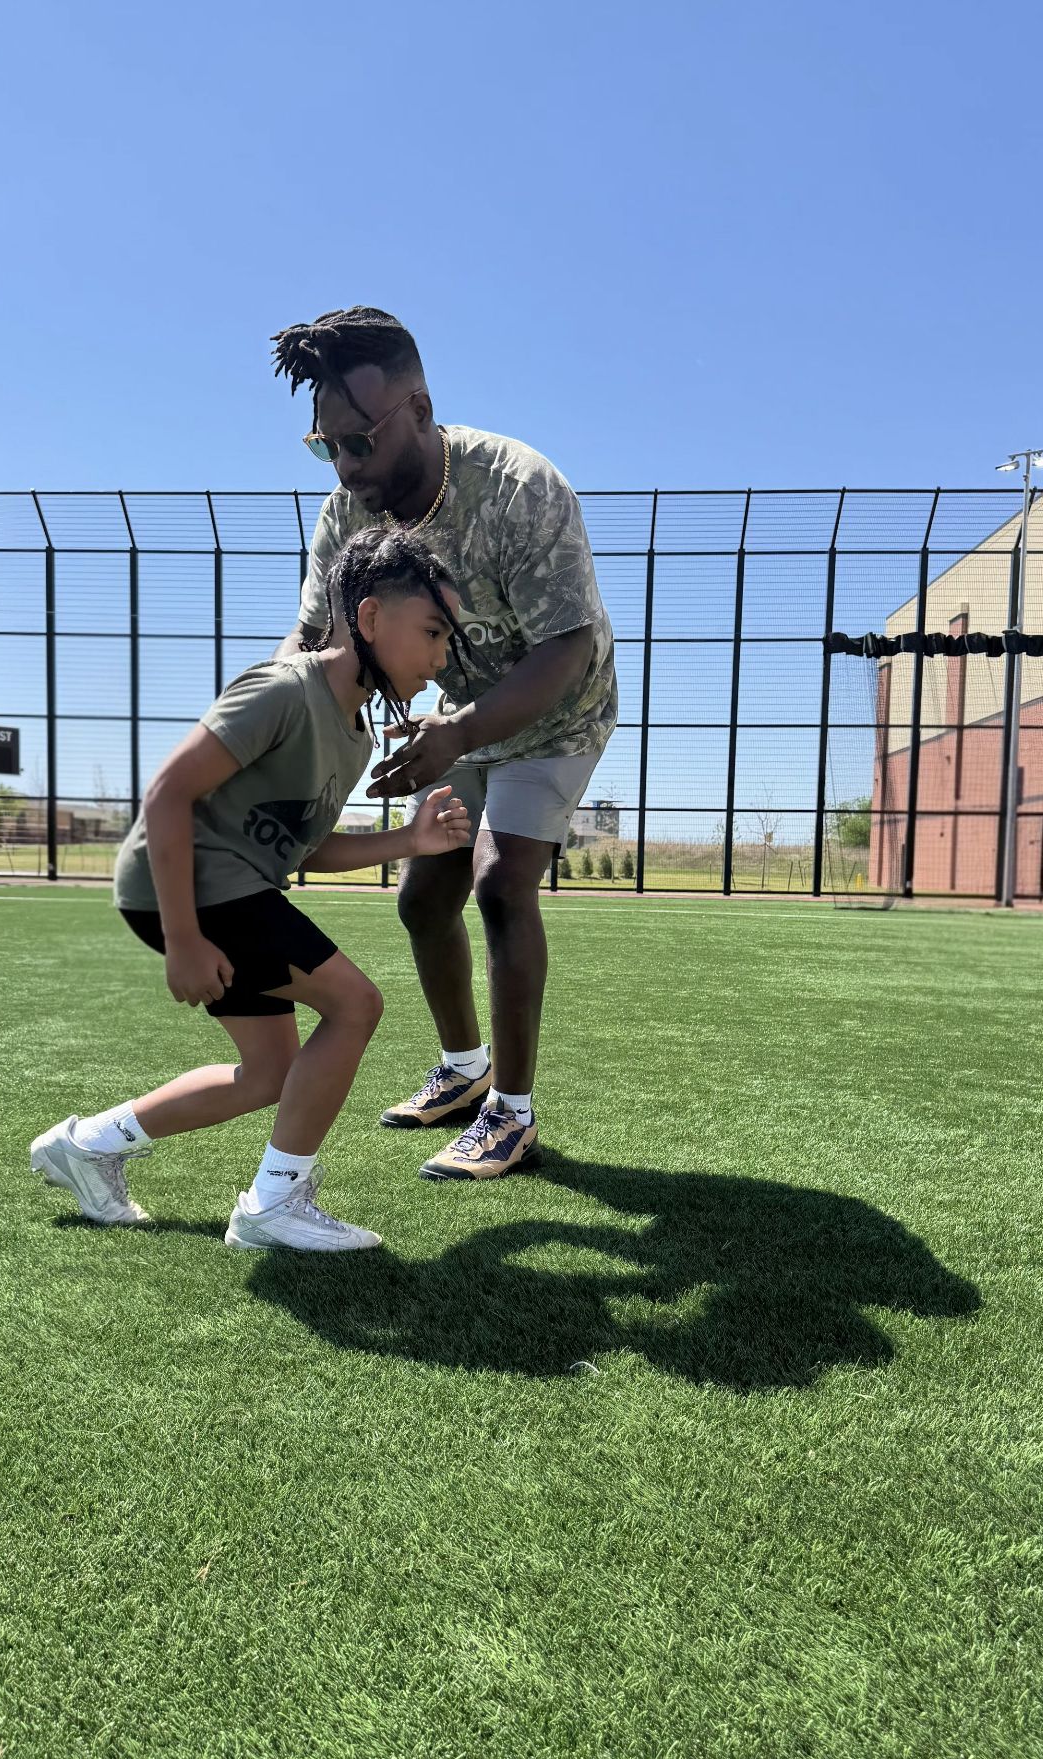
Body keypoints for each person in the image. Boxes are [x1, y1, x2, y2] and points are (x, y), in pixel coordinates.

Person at [29, 526, 472, 1252]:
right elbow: (168, 792)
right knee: (355, 1003)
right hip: (195, 888)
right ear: (368, 619)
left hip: (232, 889)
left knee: (269, 1072)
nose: (438, 657)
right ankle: (274, 1205)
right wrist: (182, 939)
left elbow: (303, 845)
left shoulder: (356, 734)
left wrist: (408, 842)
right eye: (430, 632)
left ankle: (87, 1146)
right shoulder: (285, 689)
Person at [271, 307, 618, 1181]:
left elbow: (566, 647)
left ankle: (514, 1115)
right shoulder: (346, 514)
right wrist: (265, 732)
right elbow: (312, 639)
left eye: (361, 442)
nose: (348, 469)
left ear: (420, 409)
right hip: (456, 714)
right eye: (328, 448)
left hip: (560, 708)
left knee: (501, 883)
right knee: (425, 899)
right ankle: (466, 1073)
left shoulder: (519, 486)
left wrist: (457, 732)